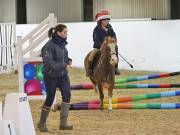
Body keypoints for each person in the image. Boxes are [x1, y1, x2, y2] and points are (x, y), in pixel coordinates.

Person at [38, 24, 73, 132]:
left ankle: (63, 123)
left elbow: (63, 58)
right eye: (65, 32)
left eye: (67, 32)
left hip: (63, 76)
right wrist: (64, 65)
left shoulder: (63, 45)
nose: (67, 34)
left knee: (67, 95)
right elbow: (49, 63)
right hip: (51, 76)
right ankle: (42, 122)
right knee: (50, 98)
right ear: (58, 33)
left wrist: (68, 60)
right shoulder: (48, 46)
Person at [86, 10, 120, 76]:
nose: (107, 21)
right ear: (101, 20)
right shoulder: (96, 29)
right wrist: (102, 45)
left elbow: (114, 36)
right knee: (92, 54)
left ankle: (116, 68)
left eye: (108, 20)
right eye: (105, 20)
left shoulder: (110, 29)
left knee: (116, 49)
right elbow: (96, 39)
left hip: (109, 46)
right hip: (99, 46)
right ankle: (89, 70)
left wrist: (114, 42)